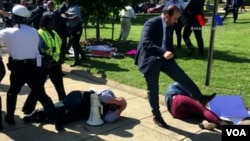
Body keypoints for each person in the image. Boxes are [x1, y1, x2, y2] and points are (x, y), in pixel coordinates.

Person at [135, 5, 216, 129]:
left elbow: (166, 41)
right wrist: (163, 52)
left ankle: (200, 98)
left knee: (182, 77)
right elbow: (146, 43)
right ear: (166, 16)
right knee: (153, 89)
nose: (176, 21)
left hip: (165, 59)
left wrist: (171, 53)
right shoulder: (151, 24)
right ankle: (157, 116)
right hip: (150, 60)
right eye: (175, 18)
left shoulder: (169, 24)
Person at [0, 4, 64, 131]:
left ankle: (10, 117)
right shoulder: (34, 32)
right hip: (34, 67)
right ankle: (58, 121)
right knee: (42, 95)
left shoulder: (8, 32)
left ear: (14, 19)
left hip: (18, 68)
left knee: (12, 92)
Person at [22, 14, 67, 114]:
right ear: (44, 23)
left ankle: (64, 104)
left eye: (53, 23)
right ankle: (28, 108)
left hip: (55, 64)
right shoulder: (39, 34)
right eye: (50, 23)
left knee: (59, 85)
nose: (52, 24)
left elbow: (58, 45)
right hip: (44, 65)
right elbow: (36, 49)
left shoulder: (54, 33)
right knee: (38, 88)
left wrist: (61, 57)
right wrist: (44, 61)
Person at [23, 89, 127, 125]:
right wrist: (116, 100)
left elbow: (108, 119)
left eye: (119, 104)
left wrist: (121, 108)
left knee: (64, 119)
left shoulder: (112, 111)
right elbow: (104, 97)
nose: (117, 102)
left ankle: (39, 117)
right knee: (65, 108)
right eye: (118, 99)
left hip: (82, 111)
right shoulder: (109, 94)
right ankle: (37, 113)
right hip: (78, 97)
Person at [165, 82, 233, 130]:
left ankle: (206, 124)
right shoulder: (178, 84)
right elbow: (191, 98)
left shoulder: (169, 89)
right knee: (202, 109)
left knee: (199, 114)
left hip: (175, 113)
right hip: (178, 100)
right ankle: (222, 123)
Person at [61, 0, 86, 67]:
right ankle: (83, 56)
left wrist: (68, 18)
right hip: (71, 29)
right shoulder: (70, 8)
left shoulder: (76, 8)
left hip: (76, 29)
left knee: (74, 43)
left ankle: (77, 61)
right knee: (75, 43)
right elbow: (64, 14)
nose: (66, 3)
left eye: (67, 1)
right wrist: (64, 15)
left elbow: (77, 18)